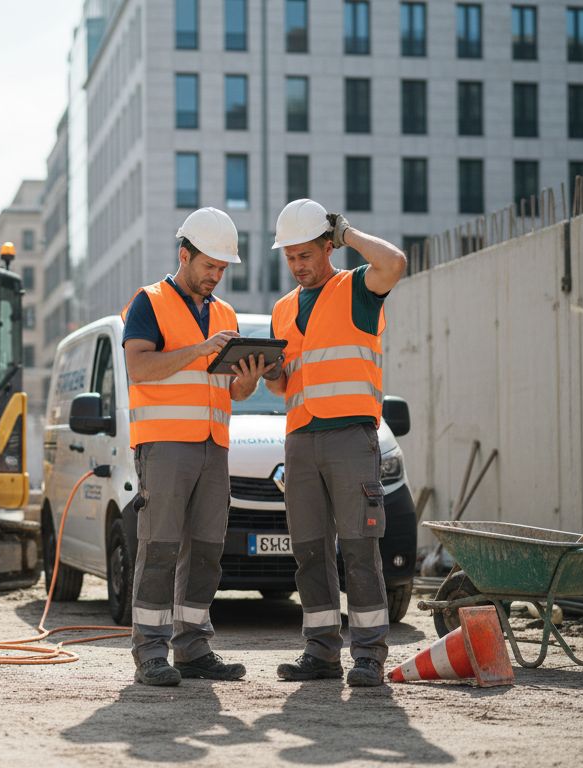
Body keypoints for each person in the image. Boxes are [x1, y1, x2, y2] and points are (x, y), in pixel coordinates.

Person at [122, 207, 276, 687]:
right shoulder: (149, 302)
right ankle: (150, 650)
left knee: (207, 551)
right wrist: (200, 349)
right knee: (160, 547)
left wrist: (248, 380)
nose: (216, 275)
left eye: (223, 268)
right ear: (184, 254)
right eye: (210, 265)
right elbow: (139, 370)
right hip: (164, 446)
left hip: (214, 447)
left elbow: (233, 392)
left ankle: (192, 647)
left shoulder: (225, 314)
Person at [263, 198, 407, 688]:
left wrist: (350, 234)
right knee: (309, 551)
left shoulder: (358, 289)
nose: (298, 265)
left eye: (306, 254)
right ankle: (321, 652)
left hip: (350, 436)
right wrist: (270, 373)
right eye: (290, 257)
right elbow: (284, 384)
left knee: (360, 547)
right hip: (301, 438)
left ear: (328, 246)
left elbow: (395, 263)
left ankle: (368, 655)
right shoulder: (282, 310)